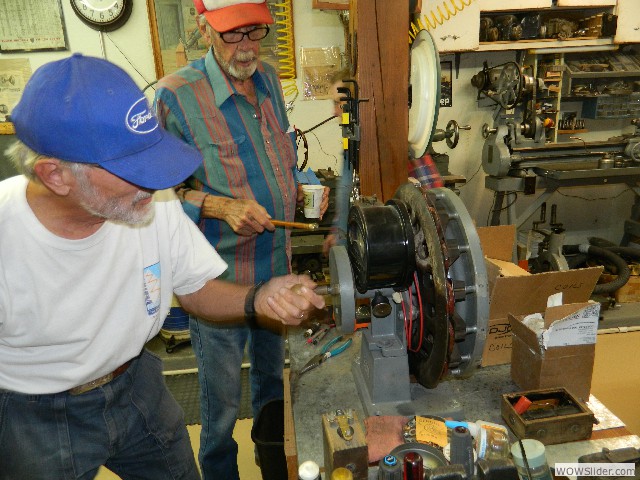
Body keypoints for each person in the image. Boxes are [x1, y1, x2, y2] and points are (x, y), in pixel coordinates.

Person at [0, 53, 324, 480]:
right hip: (34, 415)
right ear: (55, 175)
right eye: (133, 170)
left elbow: (193, 287)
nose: (155, 184)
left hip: (137, 385)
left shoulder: (152, 201)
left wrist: (257, 298)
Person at [154, 1, 328, 478]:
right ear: (205, 28)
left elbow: (281, 159)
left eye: (256, 33)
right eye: (233, 35)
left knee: (273, 387)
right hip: (220, 283)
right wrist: (219, 206)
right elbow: (155, 195)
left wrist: (306, 184)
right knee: (221, 405)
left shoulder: (269, 79)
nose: (247, 47)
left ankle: (273, 463)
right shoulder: (176, 98)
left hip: (276, 265)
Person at [323, 69, 444, 254]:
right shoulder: (352, 143)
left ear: (355, 104)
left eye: (338, 103)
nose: (334, 111)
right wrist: (338, 233)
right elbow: (346, 191)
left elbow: (433, 199)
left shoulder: (396, 143)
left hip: (401, 248)